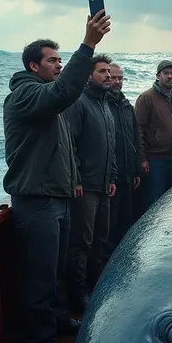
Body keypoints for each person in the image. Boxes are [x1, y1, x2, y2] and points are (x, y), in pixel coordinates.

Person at [2, 10, 111, 343]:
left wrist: (73, 180)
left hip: (58, 198)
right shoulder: (26, 97)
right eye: (53, 61)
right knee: (41, 277)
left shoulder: (51, 102)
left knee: (56, 271)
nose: (59, 66)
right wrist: (88, 44)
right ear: (34, 66)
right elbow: (65, 91)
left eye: (61, 60)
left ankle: (58, 318)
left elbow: (63, 149)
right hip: (36, 203)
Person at [66, 54, 118, 313]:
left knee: (100, 240)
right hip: (85, 187)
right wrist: (76, 180)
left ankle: (94, 286)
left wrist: (112, 176)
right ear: (88, 76)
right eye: (102, 72)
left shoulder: (105, 104)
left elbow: (111, 146)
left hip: (103, 186)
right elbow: (70, 145)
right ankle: (78, 295)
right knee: (81, 243)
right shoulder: (79, 103)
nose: (108, 75)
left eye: (109, 71)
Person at [135, 59, 172, 208]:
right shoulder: (146, 98)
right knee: (155, 202)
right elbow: (137, 129)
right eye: (165, 73)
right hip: (155, 160)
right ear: (157, 76)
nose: (170, 76)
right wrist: (142, 158)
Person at [105, 62, 142, 259]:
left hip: (128, 175)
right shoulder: (103, 105)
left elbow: (135, 138)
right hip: (110, 178)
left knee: (125, 222)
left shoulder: (127, 105)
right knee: (108, 227)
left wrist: (137, 168)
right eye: (114, 77)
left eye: (120, 78)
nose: (117, 81)